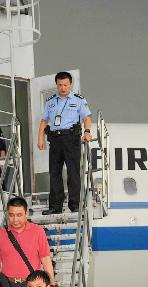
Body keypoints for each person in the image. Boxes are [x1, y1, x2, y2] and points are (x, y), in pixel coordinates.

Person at [38, 71, 92, 215]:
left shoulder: (78, 99)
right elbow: (44, 121)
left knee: (73, 172)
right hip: (55, 139)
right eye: (60, 85)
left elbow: (86, 118)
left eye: (66, 85)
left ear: (71, 85)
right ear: (57, 85)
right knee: (54, 173)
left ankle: (75, 205)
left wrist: (87, 131)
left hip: (71, 138)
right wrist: (40, 139)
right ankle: (55, 206)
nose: (63, 88)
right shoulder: (50, 101)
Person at [0, 196, 57, 287]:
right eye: (11, 215)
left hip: (31, 286)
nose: (15, 219)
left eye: (19, 215)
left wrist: (51, 285)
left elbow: (46, 260)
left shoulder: (38, 232)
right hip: (7, 286)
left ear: (26, 213)